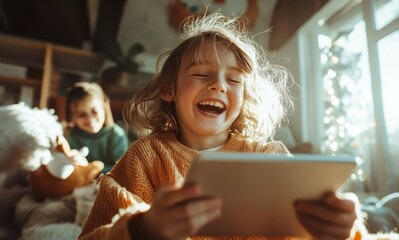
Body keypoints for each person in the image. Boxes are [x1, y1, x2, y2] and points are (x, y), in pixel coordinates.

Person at [79, 12, 360, 240]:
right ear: (169, 89)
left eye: (235, 80)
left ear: (244, 97)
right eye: (201, 74)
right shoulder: (144, 157)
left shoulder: (270, 156)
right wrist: (143, 230)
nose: (219, 85)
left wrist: (338, 232)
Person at [65, 81, 129, 174]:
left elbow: (121, 169)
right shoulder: (69, 135)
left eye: (94, 111)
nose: (90, 119)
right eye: (81, 115)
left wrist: (88, 169)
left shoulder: (117, 135)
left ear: (104, 109)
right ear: (71, 117)